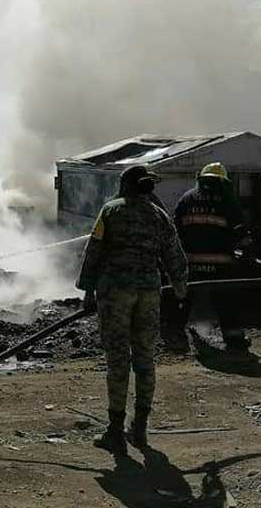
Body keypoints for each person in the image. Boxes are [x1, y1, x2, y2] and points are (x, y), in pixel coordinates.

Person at [76, 165, 188, 452]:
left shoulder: (111, 211)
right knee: (145, 357)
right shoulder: (159, 216)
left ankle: (115, 430)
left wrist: (87, 289)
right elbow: (174, 254)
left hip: (115, 292)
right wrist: (179, 287)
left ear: (125, 185)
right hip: (149, 293)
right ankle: (139, 428)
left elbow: (94, 250)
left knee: (117, 358)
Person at [163, 162, 253, 354]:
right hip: (221, 265)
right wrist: (247, 254)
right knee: (227, 302)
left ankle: (174, 338)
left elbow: (173, 230)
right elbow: (241, 233)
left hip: (191, 263)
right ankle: (234, 340)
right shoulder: (227, 200)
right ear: (222, 181)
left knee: (183, 299)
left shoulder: (187, 199)